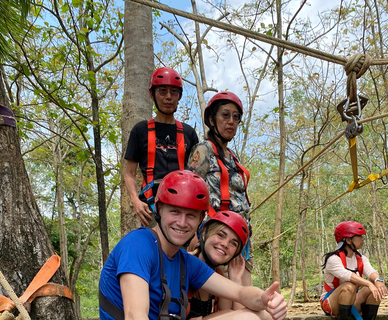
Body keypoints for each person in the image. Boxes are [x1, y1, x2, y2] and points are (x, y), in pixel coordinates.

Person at [99, 170, 287, 320]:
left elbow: (239, 292)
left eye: (191, 215)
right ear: (160, 209)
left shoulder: (186, 262)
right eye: (175, 211)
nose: (182, 222)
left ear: (200, 219)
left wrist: (265, 300)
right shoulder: (138, 244)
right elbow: (134, 316)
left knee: (261, 315)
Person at [188, 91, 253, 286]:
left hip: (240, 238)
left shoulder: (233, 157)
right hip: (216, 237)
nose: (231, 121)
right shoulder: (204, 150)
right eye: (225, 115)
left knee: (244, 294)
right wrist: (193, 236)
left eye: (236, 117)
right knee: (220, 298)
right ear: (211, 119)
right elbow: (190, 192)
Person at [125, 67, 199, 226]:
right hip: (151, 208)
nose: (168, 97)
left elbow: (197, 176)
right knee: (153, 248)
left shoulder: (189, 133)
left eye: (174, 92)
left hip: (183, 207)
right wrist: (136, 201)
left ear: (179, 97)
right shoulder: (141, 130)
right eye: (162, 91)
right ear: (152, 94)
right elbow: (129, 174)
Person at [320, 221, 387, 320]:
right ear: (348, 240)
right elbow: (347, 275)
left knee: (374, 289)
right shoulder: (333, 259)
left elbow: (371, 271)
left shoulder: (361, 258)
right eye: (359, 236)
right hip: (330, 302)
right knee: (349, 286)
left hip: (351, 300)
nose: (362, 239)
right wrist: (369, 284)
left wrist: (378, 281)